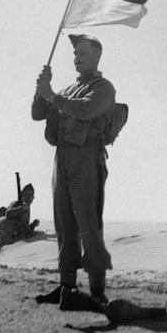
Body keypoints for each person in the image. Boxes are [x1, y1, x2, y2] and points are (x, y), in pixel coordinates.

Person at [32, 33, 115, 311]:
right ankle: (67, 286)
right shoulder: (67, 89)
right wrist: (42, 88)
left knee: (89, 222)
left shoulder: (104, 87)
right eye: (75, 53)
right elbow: (37, 113)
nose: (76, 57)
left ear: (96, 56)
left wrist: (52, 96)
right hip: (63, 157)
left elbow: (87, 109)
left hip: (87, 158)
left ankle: (97, 289)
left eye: (82, 52)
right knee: (64, 222)